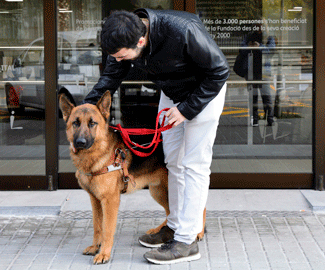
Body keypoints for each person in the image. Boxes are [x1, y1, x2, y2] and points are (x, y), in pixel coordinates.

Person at [83, 9, 229, 264]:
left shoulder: (183, 30)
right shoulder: (123, 39)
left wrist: (186, 110)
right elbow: (110, 77)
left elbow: (219, 71)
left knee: (194, 164)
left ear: (140, 41)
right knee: (173, 162)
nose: (117, 61)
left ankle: (186, 241)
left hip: (204, 92)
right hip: (172, 93)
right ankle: (174, 225)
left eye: (121, 56)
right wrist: (84, 111)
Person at [239, 24, 275, 126]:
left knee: (266, 96)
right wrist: (249, 47)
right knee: (253, 96)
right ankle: (254, 119)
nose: (259, 28)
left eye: (261, 25)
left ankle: (270, 119)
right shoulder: (249, 36)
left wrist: (259, 47)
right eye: (257, 25)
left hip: (264, 71)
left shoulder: (269, 37)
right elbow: (241, 49)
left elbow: (271, 51)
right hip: (251, 70)